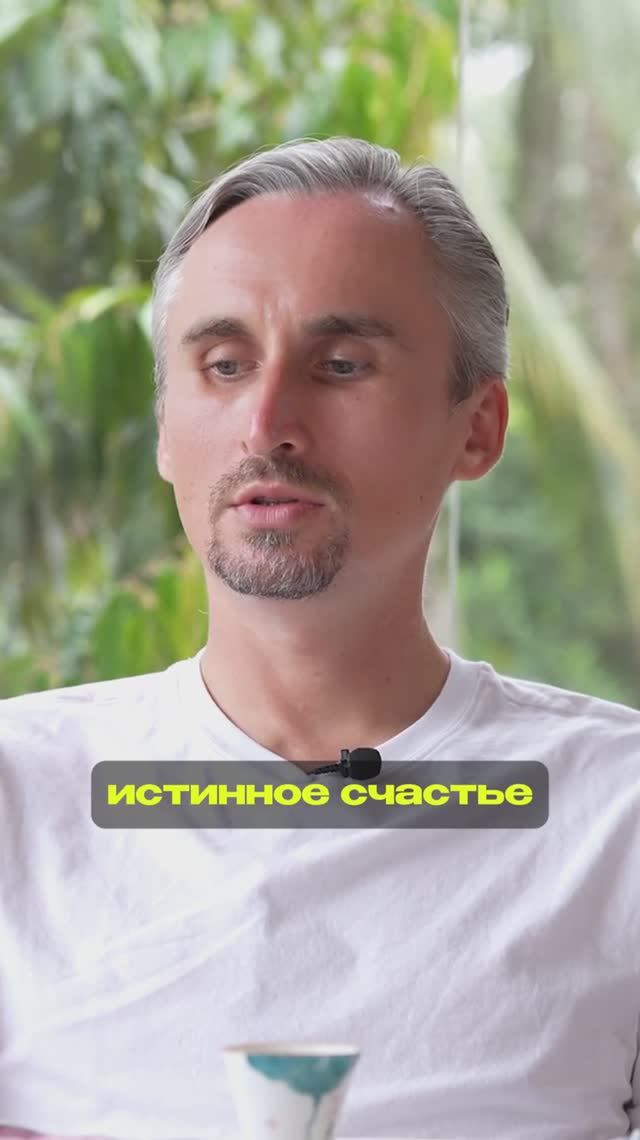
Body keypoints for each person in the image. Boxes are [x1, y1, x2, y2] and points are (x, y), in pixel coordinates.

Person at [1, 135, 639, 1140]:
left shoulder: (616, 819)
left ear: (477, 428)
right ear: (166, 428)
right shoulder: (19, 797)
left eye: (341, 366)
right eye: (222, 366)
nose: (266, 424)